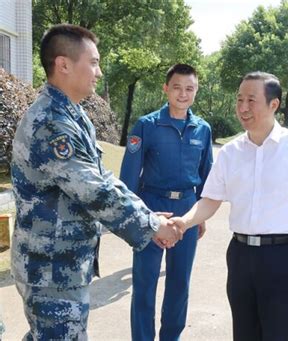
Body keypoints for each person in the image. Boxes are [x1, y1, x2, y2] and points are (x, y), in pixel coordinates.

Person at [10, 24, 181, 341]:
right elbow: (93, 189)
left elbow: (103, 177)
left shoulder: (73, 115)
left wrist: (149, 215)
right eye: (93, 62)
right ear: (63, 65)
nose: (99, 72)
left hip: (62, 264)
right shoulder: (52, 122)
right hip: (50, 268)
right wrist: (150, 224)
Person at [171, 71, 288, 341]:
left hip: (283, 255)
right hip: (240, 255)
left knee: (281, 334)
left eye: (251, 100)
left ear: (273, 104)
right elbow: (210, 200)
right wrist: (184, 222)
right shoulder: (230, 153)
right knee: (244, 332)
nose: (243, 108)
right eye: (239, 99)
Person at [120, 63, 213, 341]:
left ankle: (171, 337)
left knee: (179, 283)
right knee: (145, 284)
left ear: (196, 91)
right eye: (177, 87)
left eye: (189, 88)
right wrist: (138, 220)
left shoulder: (202, 129)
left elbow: (207, 178)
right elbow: (128, 177)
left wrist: (200, 217)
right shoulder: (147, 125)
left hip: (186, 208)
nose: (183, 94)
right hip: (151, 207)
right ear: (166, 89)